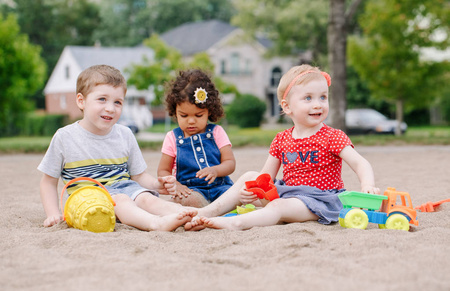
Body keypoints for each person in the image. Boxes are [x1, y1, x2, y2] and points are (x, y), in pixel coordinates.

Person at [185, 64, 380, 231]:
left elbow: (360, 163)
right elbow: (265, 178)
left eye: (323, 97)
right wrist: (252, 191)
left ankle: (237, 223)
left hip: (319, 201)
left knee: (278, 207)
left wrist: (367, 185)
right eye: (308, 98)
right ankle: (206, 212)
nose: (318, 104)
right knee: (248, 177)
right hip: (285, 192)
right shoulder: (282, 139)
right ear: (287, 107)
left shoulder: (332, 136)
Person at [38, 65, 197, 231]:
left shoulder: (125, 134)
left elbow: (138, 176)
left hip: (125, 187)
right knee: (121, 200)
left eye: (118, 102)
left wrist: (156, 185)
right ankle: (156, 223)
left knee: (146, 198)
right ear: (81, 101)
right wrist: (52, 213)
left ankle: (191, 214)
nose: (110, 108)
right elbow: (48, 182)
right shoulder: (65, 137)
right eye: (102, 99)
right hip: (90, 199)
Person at [158, 69, 236, 208]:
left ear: (209, 111)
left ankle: (214, 209)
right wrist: (176, 185)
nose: (191, 121)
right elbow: (163, 170)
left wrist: (216, 170)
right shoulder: (172, 138)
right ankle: (210, 210)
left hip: (221, 188)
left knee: (240, 194)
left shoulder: (217, 132)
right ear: (175, 111)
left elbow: (230, 163)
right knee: (191, 202)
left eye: (198, 115)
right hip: (191, 191)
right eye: (184, 116)